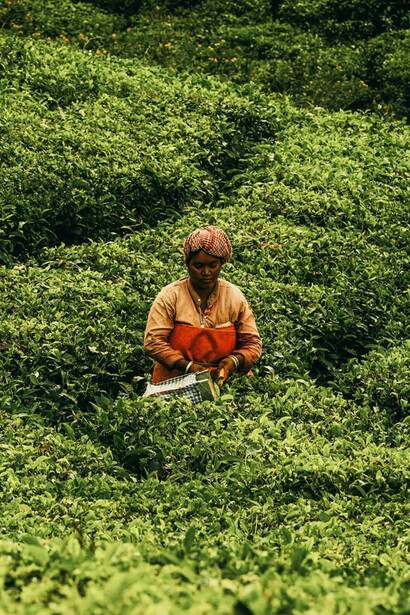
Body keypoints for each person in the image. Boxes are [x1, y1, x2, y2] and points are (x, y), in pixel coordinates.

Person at [144, 225, 262, 385]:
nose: (206, 272)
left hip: (224, 381)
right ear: (188, 265)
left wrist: (234, 361)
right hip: (175, 380)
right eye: (198, 266)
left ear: (221, 264)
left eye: (212, 265)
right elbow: (153, 341)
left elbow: (252, 343)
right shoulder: (170, 296)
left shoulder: (234, 297)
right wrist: (187, 366)